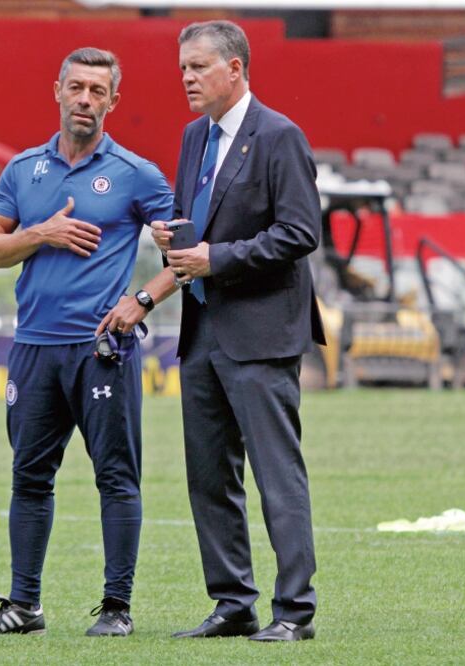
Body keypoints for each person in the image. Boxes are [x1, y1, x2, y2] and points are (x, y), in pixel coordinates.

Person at [0, 47, 173, 638]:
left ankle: (116, 608)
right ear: (56, 90)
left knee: (116, 477)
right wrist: (42, 232)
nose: (85, 99)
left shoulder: (137, 174)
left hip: (99, 348)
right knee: (29, 475)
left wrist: (141, 300)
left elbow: (183, 255)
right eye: (76, 87)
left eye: (97, 91)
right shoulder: (22, 170)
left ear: (113, 101)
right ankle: (23, 606)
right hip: (33, 349)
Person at [151, 20, 325, 642]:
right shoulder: (194, 137)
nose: (188, 79)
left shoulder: (280, 136)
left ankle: (294, 612)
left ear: (236, 69)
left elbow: (301, 233)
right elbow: (199, 221)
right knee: (209, 477)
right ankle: (232, 604)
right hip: (202, 332)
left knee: (277, 474)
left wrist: (216, 258)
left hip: (260, 333)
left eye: (198, 68)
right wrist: (176, 240)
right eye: (183, 70)